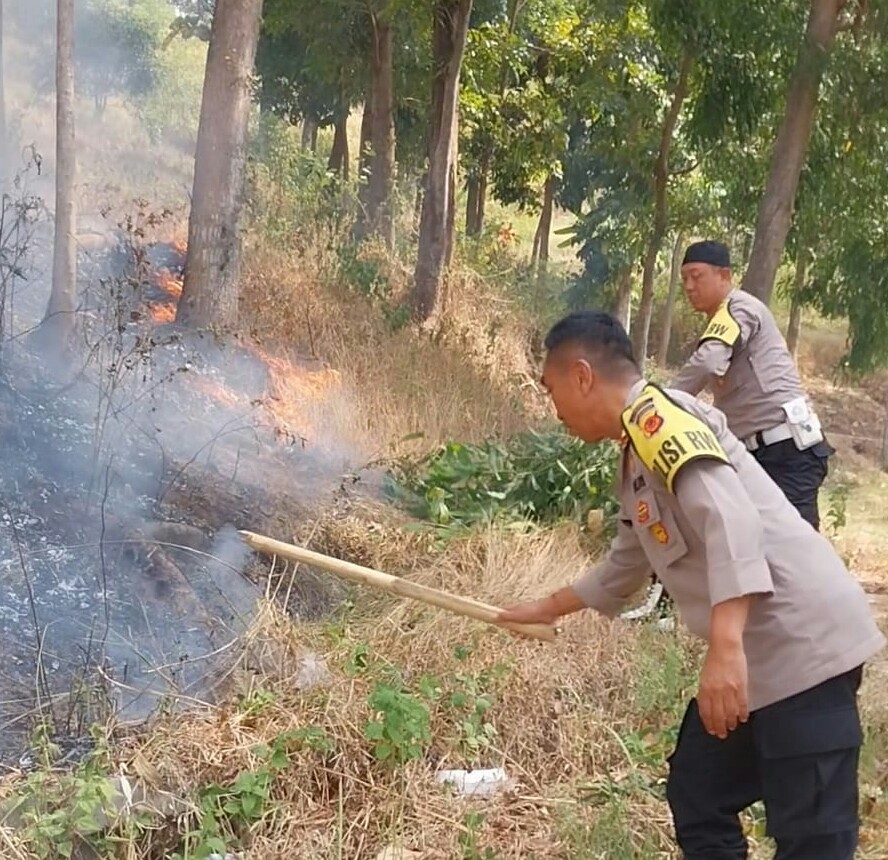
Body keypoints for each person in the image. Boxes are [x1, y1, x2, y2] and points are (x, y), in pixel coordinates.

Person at [500, 310, 885, 860]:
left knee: (812, 841)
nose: (554, 407)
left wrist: (724, 649)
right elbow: (624, 567)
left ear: (582, 375)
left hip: (803, 649)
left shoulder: (660, 419)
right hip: (759, 661)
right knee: (698, 790)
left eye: (551, 387)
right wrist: (546, 608)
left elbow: (731, 520)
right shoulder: (636, 456)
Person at [672, 240, 833, 531]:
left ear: (724, 275)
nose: (689, 286)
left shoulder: (739, 307)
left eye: (696, 276)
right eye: (684, 279)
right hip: (757, 456)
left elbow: (708, 361)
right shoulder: (719, 320)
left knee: (797, 555)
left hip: (787, 451)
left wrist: (660, 402)